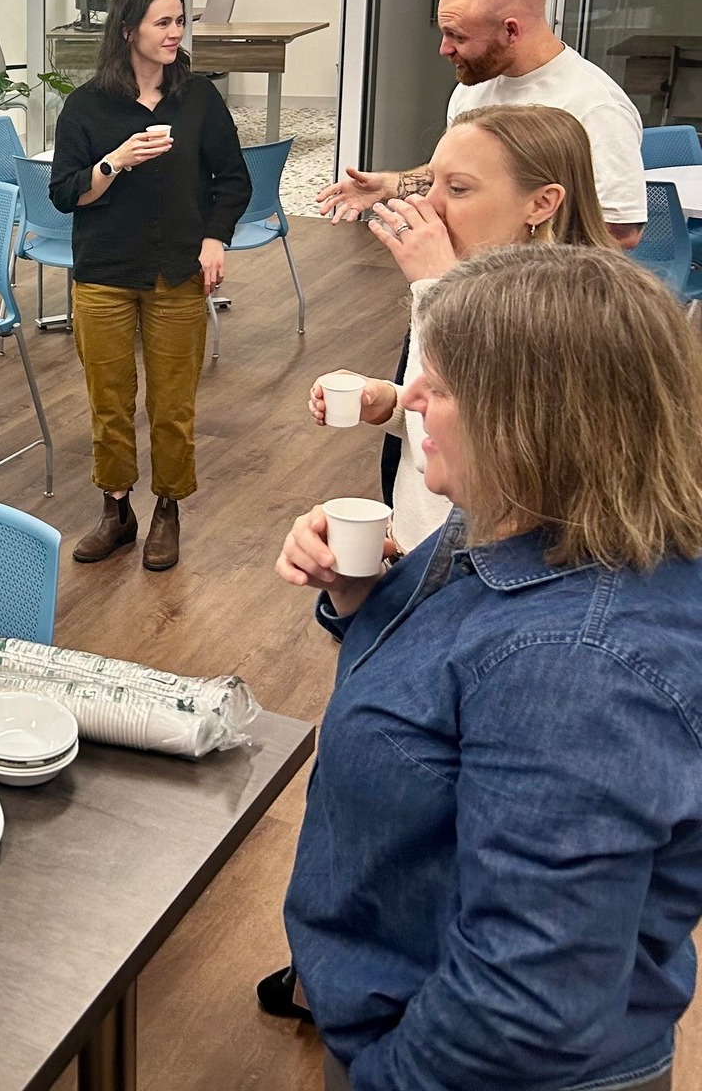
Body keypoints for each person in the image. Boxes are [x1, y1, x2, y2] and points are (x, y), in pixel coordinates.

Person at [279, 244, 702, 1091]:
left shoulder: (577, 668)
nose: (410, 401)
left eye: (437, 386)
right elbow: (447, 692)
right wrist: (362, 598)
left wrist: (381, 1077)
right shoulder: (521, 524)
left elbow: (523, 1010)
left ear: (529, 419)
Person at [310, 105, 616, 552]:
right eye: (429, 182)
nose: (428, 205)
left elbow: (482, 452)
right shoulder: (473, 283)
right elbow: (452, 416)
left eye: (457, 189)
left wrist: (435, 288)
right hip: (419, 550)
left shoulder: (566, 319)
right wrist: (389, 403)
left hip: (475, 570)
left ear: (541, 203)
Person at [49, 0, 251, 573]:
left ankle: (167, 508)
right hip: (104, 273)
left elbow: (233, 179)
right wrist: (115, 162)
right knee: (108, 403)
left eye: (180, 21)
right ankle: (116, 511)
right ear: (127, 29)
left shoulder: (199, 99)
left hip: (177, 270)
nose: (175, 33)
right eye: (163, 22)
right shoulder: (86, 105)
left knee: (172, 405)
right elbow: (65, 194)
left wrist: (214, 239)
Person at [318, 0, 646, 249]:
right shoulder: (475, 87)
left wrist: (509, 252)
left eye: (457, 36)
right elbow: (458, 176)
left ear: (511, 31)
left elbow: (622, 231)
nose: (444, 49)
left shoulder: (595, 106)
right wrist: (390, 185)